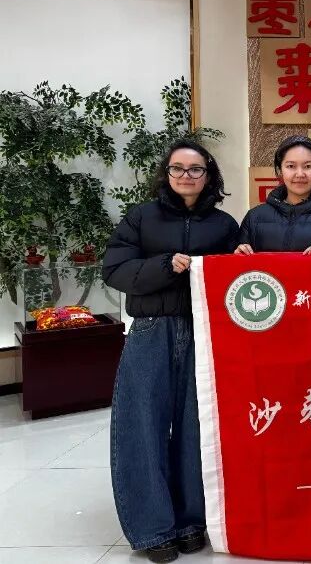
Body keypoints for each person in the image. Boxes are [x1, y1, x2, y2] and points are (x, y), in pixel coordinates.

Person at [103, 140, 239, 563]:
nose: (186, 176)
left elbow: (236, 278)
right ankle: (151, 528)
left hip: (204, 333)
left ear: (209, 176)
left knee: (197, 427)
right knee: (141, 427)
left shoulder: (224, 225)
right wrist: (165, 265)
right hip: (151, 331)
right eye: (177, 168)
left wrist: (241, 258)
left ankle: (191, 521)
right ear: (166, 173)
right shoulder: (142, 217)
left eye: (195, 169)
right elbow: (115, 270)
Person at [236, 135, 311, 254]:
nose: (300, 174)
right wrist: (238, 256)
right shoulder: (254, 218)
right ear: (280, 170)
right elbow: (242, 265)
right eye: (291, 166)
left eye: (308, 166)